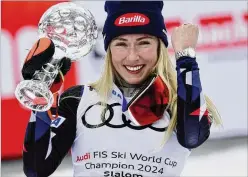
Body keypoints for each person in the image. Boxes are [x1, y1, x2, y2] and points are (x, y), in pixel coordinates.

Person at [21, 1, 222, 177]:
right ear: (107, 50)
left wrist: (186, 59)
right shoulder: (78, 99)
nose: (132, 56)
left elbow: (192, 136)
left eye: (144, 43)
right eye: (121, 44)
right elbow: (37, 168)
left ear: (160, 47)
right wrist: (42, 100)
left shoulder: (180, 103)